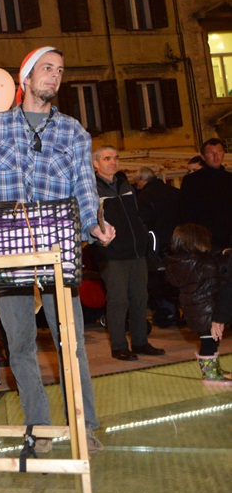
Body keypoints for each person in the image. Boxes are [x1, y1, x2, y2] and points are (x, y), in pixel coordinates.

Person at [0, 46, 113, 454]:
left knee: (73, 342)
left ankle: (85, 425)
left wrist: (95, 224)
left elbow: (86, 188)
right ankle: (39, 426)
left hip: (57, 244)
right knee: (20, 343)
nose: (55, 76)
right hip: (9, 247)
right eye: (47, 69)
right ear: (25, 79)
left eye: (60, 71)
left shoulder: (73, 131)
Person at [90, 146, 165, 362]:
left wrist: (143, 243)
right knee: (118, 301)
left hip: (135, 252)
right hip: (112, 255)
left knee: (140, 298)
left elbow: (135, 216)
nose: (113, 162)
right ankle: (119, 346)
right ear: (96, 163)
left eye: (115, 158)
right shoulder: (92, 189)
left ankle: (141, 342)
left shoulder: (125, 185)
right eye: (107, 158)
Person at [164, 224, 232, 386]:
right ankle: (209, 374)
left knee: (208, 340)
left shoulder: (178, 263)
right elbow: (221, 276)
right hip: (209, 309)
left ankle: (213, 369)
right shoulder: (205, 263)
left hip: (194, 309)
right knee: (210, 341)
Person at [179, 138, 232, 251]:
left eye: (219, 152)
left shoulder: (229, 179)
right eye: (211, 153)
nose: (216, 156)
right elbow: (186, 211)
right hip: (205, 239)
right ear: (203, 157)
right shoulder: (192, 181)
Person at [132, 166, 179, 256]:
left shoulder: (144, 196)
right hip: (177, 236)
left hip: (158, 239)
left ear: (142, 180)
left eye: (137, 183)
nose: (137, 187)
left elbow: (144, 219)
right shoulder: (174, 191)